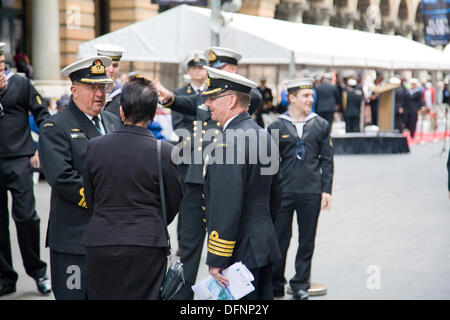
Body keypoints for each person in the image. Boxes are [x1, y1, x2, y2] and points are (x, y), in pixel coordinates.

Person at [157, 46, 263, 300]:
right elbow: (186, 102)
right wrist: (168, 96)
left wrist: (232, 86)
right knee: (189, 244)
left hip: (225, 177)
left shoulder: (245, 94)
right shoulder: (206, 97)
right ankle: (183, 297)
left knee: (227, 240)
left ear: (233, 71)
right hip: (195, 179)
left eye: (220, 69)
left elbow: (253, 98)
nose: (211, 74)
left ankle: (231, 293)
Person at [82, 76, 182, 300]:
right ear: (153, 113)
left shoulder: (94, 147)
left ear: (121, 111)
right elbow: (174, 201)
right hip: (146, 241)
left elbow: (90, 196)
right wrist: (151, 220)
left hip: (101, 240)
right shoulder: (165, 152)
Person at [38, 56, 121, 300]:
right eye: (92, 87)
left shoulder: (112, 121)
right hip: (74, 238)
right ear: (74, 90)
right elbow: (63, 178)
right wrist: (106, 198)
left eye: (103, 87)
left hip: (110, 236)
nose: (99, 94)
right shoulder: (56, 127)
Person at [201, 66, 282, 299]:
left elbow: (226, 206)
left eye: (212, 98)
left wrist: (217, 258)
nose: (208, 104)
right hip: (263, 244)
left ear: (230, 101)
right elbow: (277, 193)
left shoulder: (227, 143)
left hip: (239, 252)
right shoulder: (263, 134)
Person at [268, 78, 334, 300]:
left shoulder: (321, 125)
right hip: (283, 192)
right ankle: (276, 282)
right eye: (306, 96)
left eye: (311, 95)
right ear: (292, 98)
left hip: (311, 191)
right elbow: (269, 163)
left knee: (307, 240)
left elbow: (327, 160)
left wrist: (326, 190)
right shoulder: (276, 126)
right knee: (279, 239)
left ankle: (300, 283)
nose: (311, 99)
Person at [0, 42, 51, 296]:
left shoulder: (20, 84)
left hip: (19, 158)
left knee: (26, 217)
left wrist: (43, 146)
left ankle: (38, 272)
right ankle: (5, 276)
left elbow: (42, 115)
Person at [172, 51, 207, 252]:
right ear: (189, 72)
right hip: (187, 153)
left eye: (201, 68)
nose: (198, 72)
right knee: (186, 200)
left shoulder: (211, 92)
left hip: (208, 154)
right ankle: (183, 242)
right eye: (194, 68)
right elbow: (179, 125)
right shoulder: (179, 93)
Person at [95, 43, 125, 118]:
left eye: (115, 66)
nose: (111, 70)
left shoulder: (123, 94)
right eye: (107, 65)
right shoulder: (89, 90)